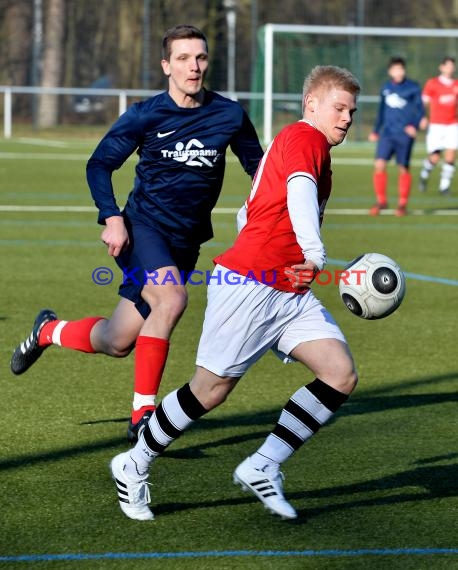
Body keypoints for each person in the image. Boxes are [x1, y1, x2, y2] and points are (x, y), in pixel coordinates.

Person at [110, 65, 360, 521]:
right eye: (338, 108)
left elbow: (249, 209)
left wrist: (282, 251)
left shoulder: (296, 142)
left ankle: (263, 464)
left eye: (352, 111)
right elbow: (300, 190)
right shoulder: (306, 139)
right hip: (252, 284)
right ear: (312, 105)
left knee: (339, 374)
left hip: (287, 289)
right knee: (210, 389)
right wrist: (314, 252)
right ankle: (134, 462)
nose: (346, 118)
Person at [9, 25, 264, 443]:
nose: (193, 67)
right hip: (142, 230)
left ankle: (48, 331)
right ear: (167, 66)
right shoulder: (146, 114)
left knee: (118, 339)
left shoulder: (229, 114)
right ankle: (143, 413)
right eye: (182, 59)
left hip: (186, 241)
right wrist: (111, 217)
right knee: (173, 298)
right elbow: (99, 165)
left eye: (199, 58)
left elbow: (259, 171)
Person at [368, 57, 424, 217]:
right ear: (390, 71)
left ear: (404, 70)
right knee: (379, 164)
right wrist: (376, 130)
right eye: (395, 69)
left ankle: (402, 205)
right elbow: (381, 111)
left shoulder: (413, 87)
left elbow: (420, 110)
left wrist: (414, 125)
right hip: (387, 133)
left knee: (403, 168)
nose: (398, 72)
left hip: (404, 135)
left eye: (401, 69)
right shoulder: (386, 87)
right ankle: (381, 201)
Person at [419, 56, 458, 195]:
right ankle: (425, 173)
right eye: (447, 65)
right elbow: (424, 103)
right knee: (435, 157)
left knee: (451, 155)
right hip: (436, 125)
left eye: (452, 66)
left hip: (452, 125)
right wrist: (423, 117)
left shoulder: (456, 84)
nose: (450, 68)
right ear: (441, 67)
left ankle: (444, 186)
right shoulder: (432, 83)